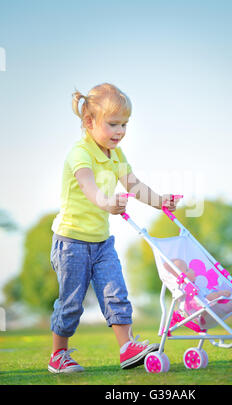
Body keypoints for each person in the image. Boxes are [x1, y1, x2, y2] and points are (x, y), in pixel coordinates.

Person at [48, 83, 179, 373]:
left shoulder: (117, 156)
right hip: (71, 242)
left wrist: (160, 202)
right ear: (89, 122)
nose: (120, 131)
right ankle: (58, 355)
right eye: (113, 124)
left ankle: (127, 347)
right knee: (71, 302)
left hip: (102, 243)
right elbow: (89, 187)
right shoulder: (79, 153)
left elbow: (134, 185)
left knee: (115, 292)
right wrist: (107, 203)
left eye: (124, 124)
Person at [164, 258, 232, 301]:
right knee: (217, 295)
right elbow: (204, 299)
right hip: (207, 302)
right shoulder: (185, 287)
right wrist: (219, 294)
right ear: (181, 277)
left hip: (209, 296)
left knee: (221, 292)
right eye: (187, 269)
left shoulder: (193, 285)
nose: (191, 269)